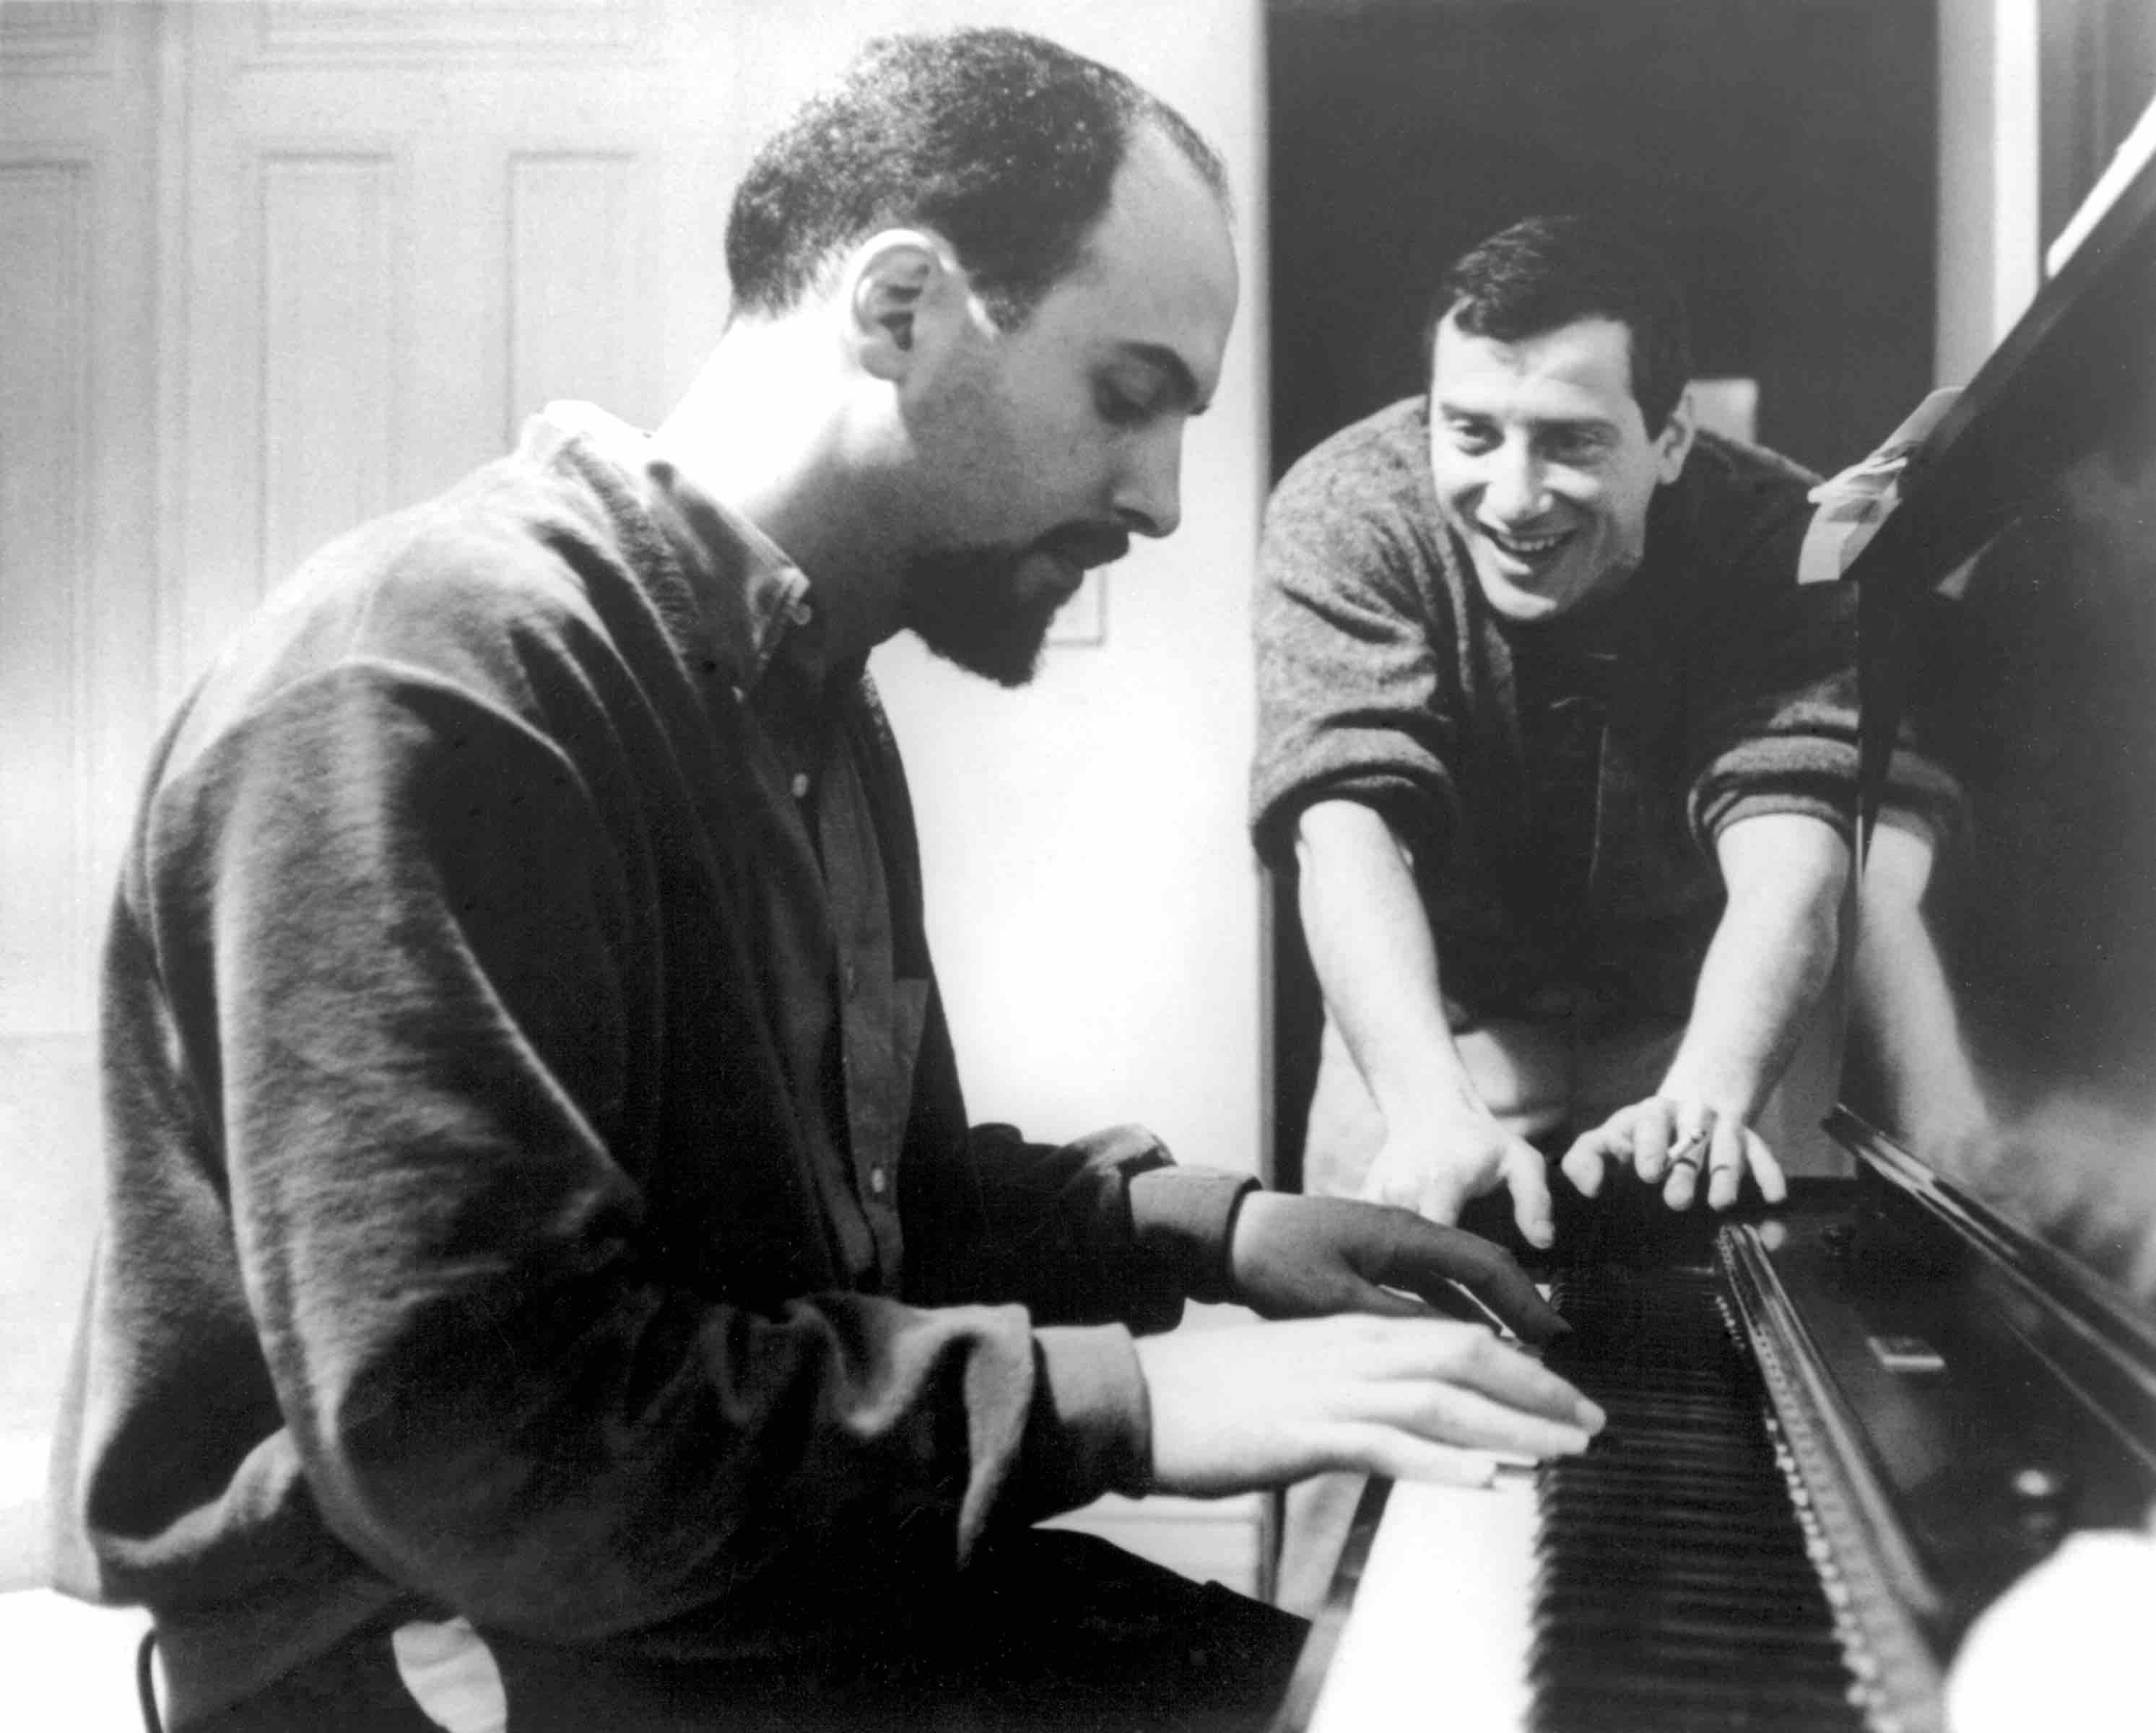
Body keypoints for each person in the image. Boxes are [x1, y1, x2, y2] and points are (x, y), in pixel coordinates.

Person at [46, 30, 1605, 1733]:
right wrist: (1139, 1398)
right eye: (1128, 394)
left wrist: (1221, 1233)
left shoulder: (810, 699)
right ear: (898, 308)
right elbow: (479, 1439)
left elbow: (872, 1223)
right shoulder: (431, 687)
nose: (1160, 500)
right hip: (437, 1656)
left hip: (721, 1599)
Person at [1252, 213, 1954, 1248]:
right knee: (1383, 1335)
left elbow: (1791, 864)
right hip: (1438, 1024)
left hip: (1687, 1018)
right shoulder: (1343, 508)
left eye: (1571, 440)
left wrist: (1706, 1097)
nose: (1514, 496)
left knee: (1719, 1324)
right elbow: (1343, 832)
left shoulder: (1782, 539)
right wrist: (1425, 1109)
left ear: (1668, 439)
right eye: (1472, 432)